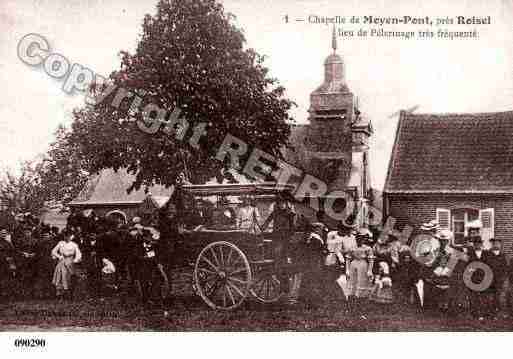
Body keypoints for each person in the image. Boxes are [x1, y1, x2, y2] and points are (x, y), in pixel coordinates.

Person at [261, 194, 296, 297]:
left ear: (286, 203)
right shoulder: (275, 213)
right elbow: (267, 222)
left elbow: (293, 228)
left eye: (283, 203)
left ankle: (285, 286)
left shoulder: (290, 214)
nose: (282, 205)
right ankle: (283, 286)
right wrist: (261, 228)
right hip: (276, 239)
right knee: (277, 262)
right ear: (278, 204)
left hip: (285, 240)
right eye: (280, 203)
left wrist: (288, 235)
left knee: (280, 262)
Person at [134, 228, 169, 308]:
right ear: (144, 238)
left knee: (157, 283)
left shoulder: (155, 246)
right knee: (144, 285)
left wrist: (159, 262)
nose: (150, 239)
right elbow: (137, 257)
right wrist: (146, 257)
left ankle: (157, 300)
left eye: (150, 237)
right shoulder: (139, 247)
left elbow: (159, 255)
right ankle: (145, 301)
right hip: (143, 269)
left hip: (154, 268)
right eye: (148, 237)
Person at [51, 229, 82, 299]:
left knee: (69, 277)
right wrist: (59, 256)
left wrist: (75, 260)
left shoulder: (74, 245)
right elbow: (53, 251)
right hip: (62, 261)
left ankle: (70, 294)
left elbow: (78, 254)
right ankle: (60, 294)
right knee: (61, 276)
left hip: (70, 262)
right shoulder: (61, 243)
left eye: (69, 236)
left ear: (71, 236)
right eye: (66, 236)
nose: (67, 237)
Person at [347, 228, 374, 301]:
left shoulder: (367, 248)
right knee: (353, 279)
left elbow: (371, 259)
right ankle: (352, 294)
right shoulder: (352, 247)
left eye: (361, 238)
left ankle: (361, 296)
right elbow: (348, 258)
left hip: (362, 264)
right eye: (358, 237)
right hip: (353, 263)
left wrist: (370, 270)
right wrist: (347, 269)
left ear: (364, 239)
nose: (359, 239)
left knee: (361, 279)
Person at [484, 238, 508, 316]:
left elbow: (505, 268)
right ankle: (489, 311)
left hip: (499, 280)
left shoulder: (503, 256)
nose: (496, 245)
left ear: (500, 245)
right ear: (492, 244)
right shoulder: (487, 254)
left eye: (498, 243)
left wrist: (502, 278)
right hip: (489, 279)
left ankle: (497, 311)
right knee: (489, 296)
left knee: (498, 296)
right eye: (494, 243)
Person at [466, 236, 489, 319]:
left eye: (479, 243)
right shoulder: (469, 254)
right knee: (473, 296)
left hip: (484, 278)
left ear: (482, 244)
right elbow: (467, 266)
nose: (477, 245)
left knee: (483, 296)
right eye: (476, 243)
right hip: (473, 279)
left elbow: (489, 266)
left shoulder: (487, 254)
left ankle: (483, 313)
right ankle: (474, 314)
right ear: (474, 245)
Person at [33, 229, 57, 299]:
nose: (45, 237)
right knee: (42, 279)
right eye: (43, 236)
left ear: (50, 236)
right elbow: (36, 252)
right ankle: (42, 294)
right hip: (41, 263)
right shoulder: (38, 243)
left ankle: (51, 294)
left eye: (46, 235)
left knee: (51, 278)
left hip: (50, 263)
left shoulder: (53, 243)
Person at [0, 227, 18, 302]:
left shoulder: (8, 243)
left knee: (7, 279)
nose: (4, 235)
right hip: (1, 263)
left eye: (5, 233)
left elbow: (13, 251)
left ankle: (6, 296)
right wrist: (4, 257)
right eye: (2, 233)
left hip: (7, 264)